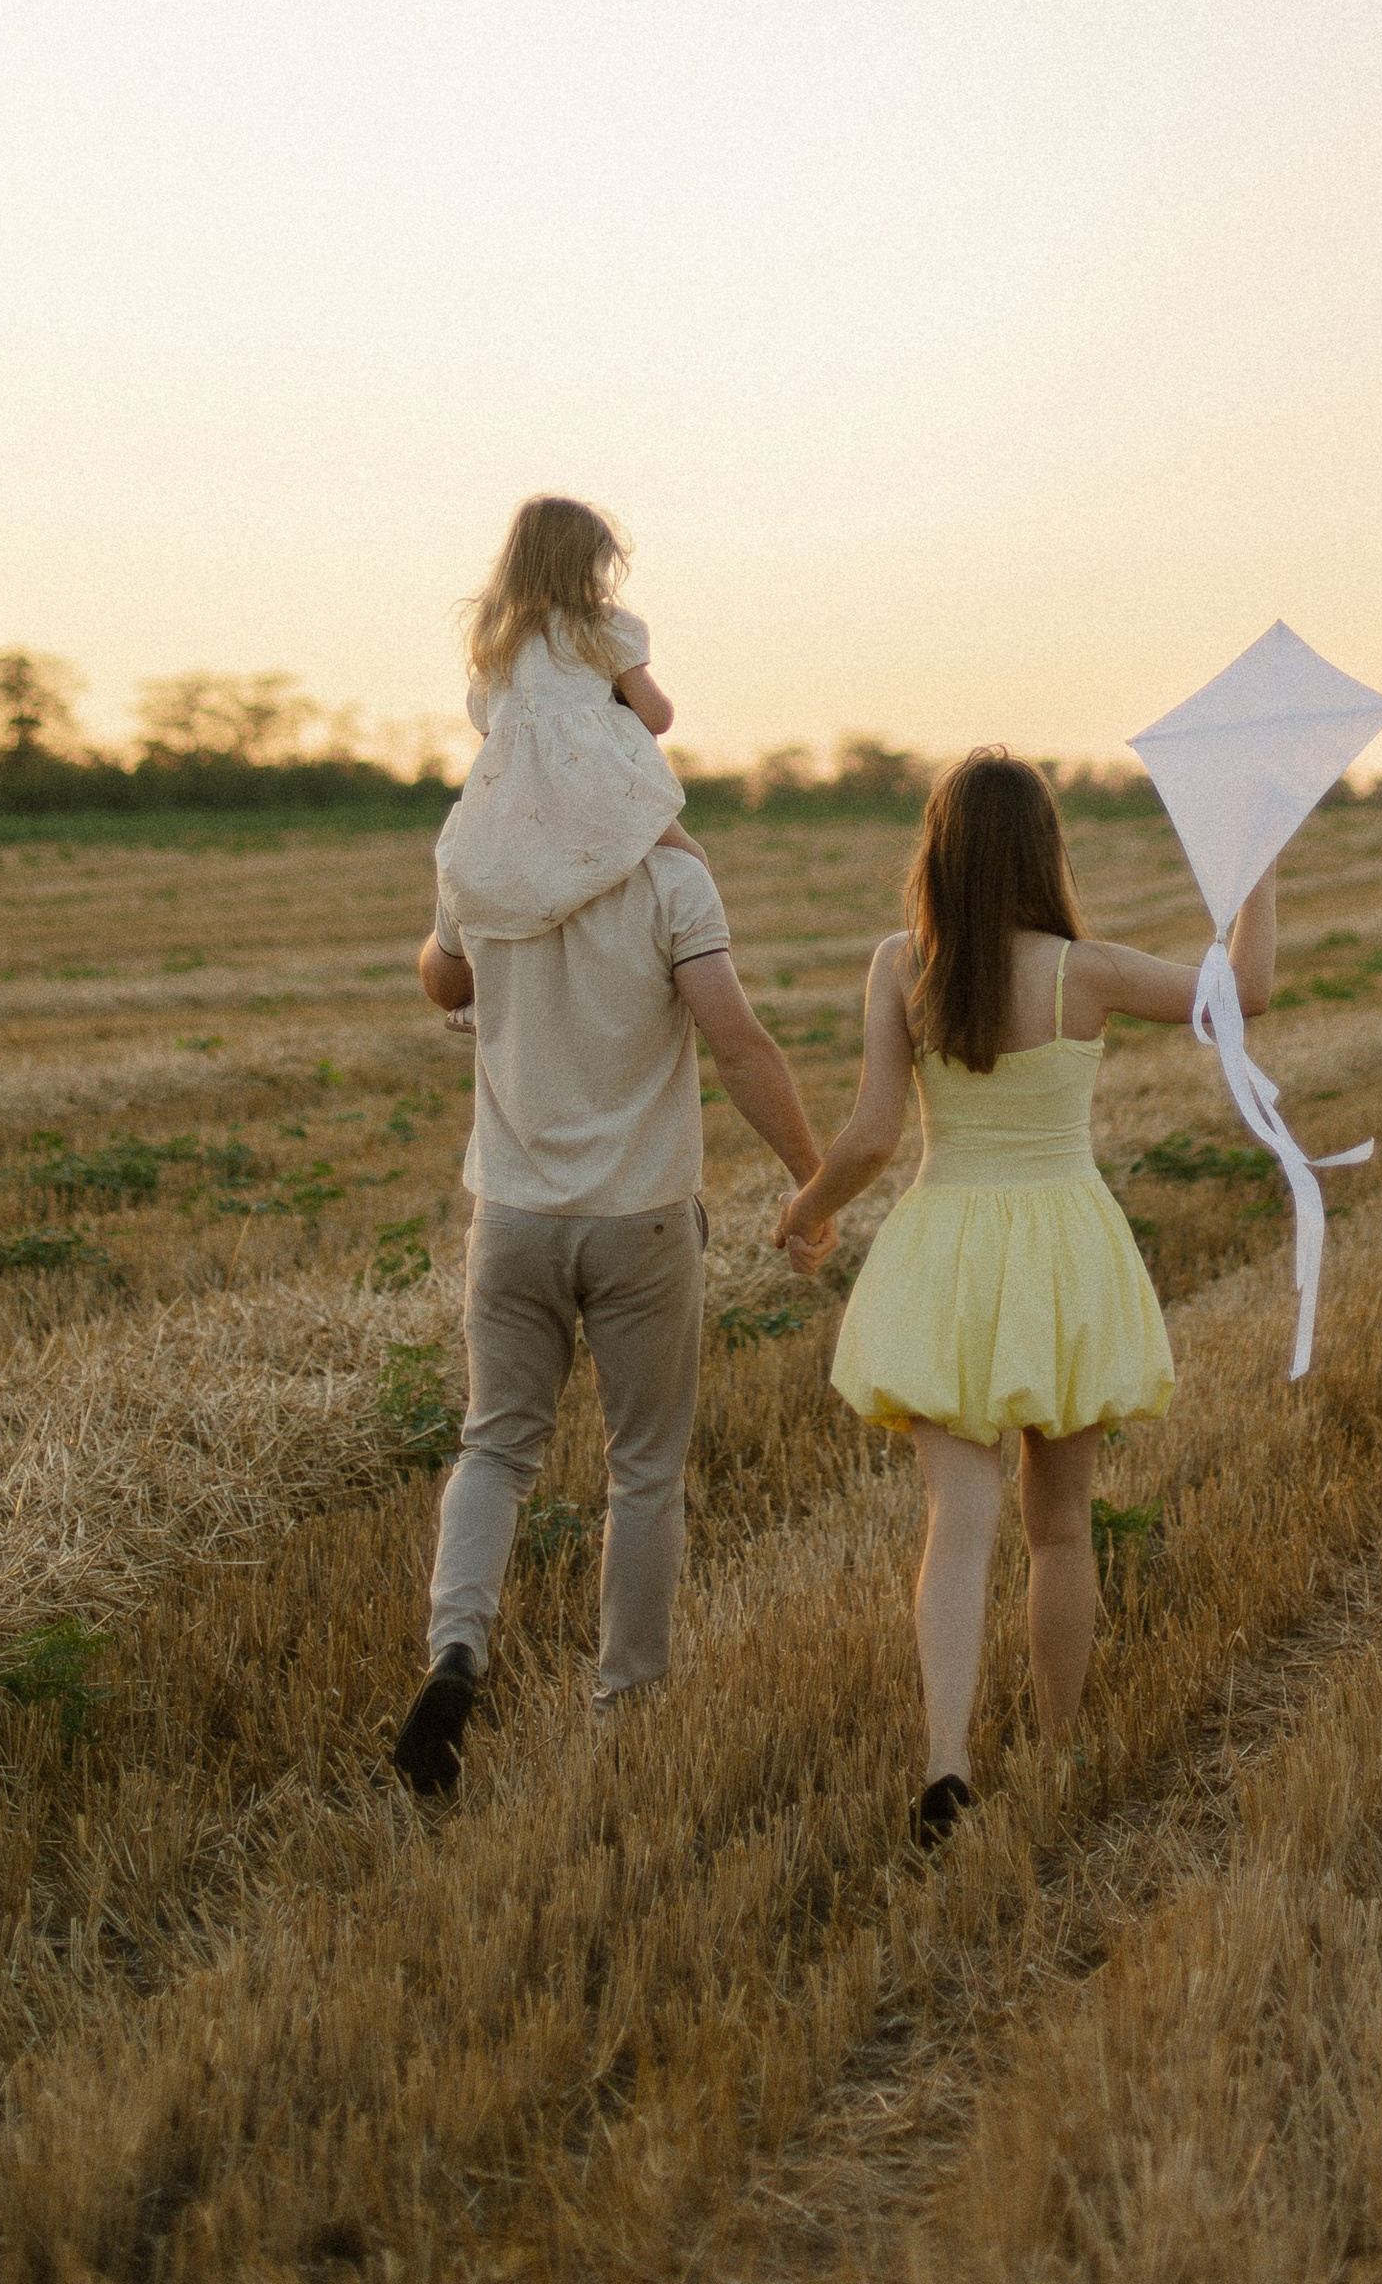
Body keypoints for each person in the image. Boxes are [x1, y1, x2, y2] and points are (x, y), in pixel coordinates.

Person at [776, 749, 1276, 1844]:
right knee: (1058, 1529)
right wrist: (1254, 867)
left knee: (957, 1521)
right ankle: (1057, 1751)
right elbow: (1244, 997)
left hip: (946, 1244)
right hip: (1060, 1248)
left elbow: (867, 1138)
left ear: (937, 851)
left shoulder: (898, 965)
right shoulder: (1080, 971)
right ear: (1044, 849)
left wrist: (804, 1210)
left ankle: (946, 1763)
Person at [390, 759, 825, 1799]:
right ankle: (625, 1708)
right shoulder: (673, 886)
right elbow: (737, 1041)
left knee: (494, 1446)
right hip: (640, 1222)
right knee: (643, 1473)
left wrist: (470, 935)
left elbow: (442, 982)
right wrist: (814, 1179)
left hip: (514, 1219)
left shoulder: (480, 868)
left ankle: (457, 1651)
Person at [434, 498, 706, 970]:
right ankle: (698, 977)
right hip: (607, 789)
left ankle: (488, 988)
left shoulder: (497, 643)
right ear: (588, 565)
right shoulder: (607, 627)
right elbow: (656, 716)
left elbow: (488, 732)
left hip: (522, 801)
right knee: (692, 862)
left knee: (501, 899)